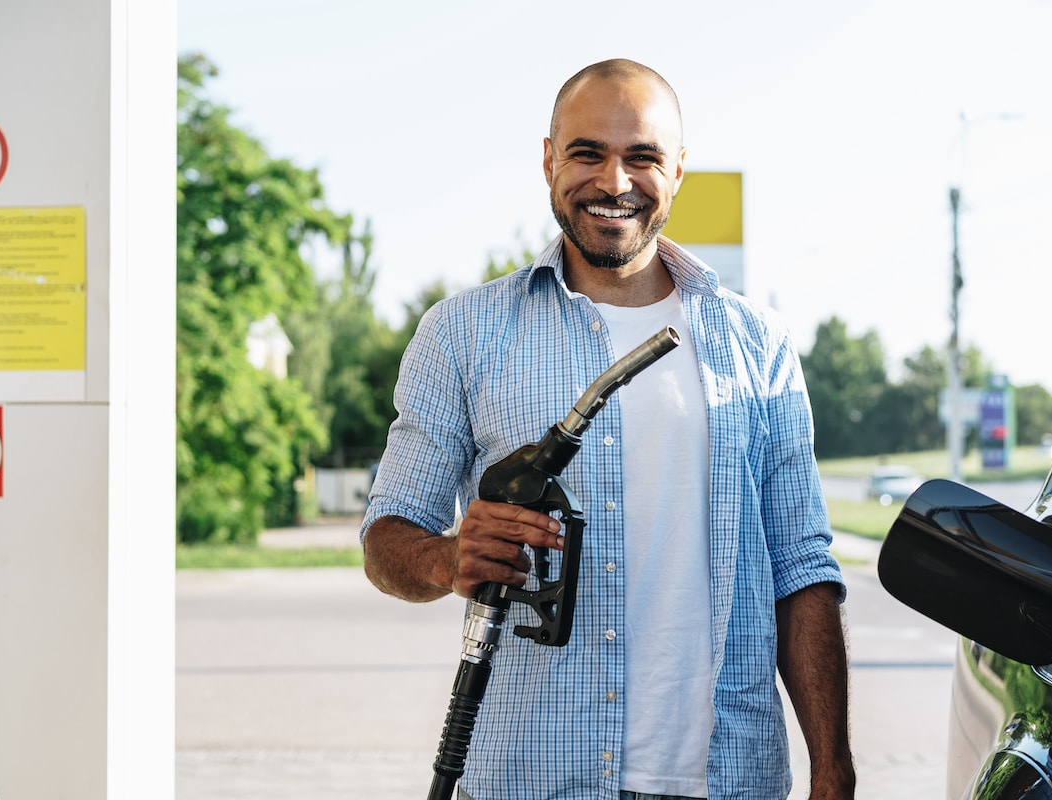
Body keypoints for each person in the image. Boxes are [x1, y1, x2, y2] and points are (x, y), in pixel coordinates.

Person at [361, 58, 855, 800]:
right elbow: (385, 538)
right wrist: (446, 558)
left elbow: (802, 570)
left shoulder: (759, 343)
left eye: (643, 156)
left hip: (728, 780)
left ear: (679, 170)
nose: (615, 181)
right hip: (526, 778)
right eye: (588, 152)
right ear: (549, 160)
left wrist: (833, 770)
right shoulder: (462, 334)